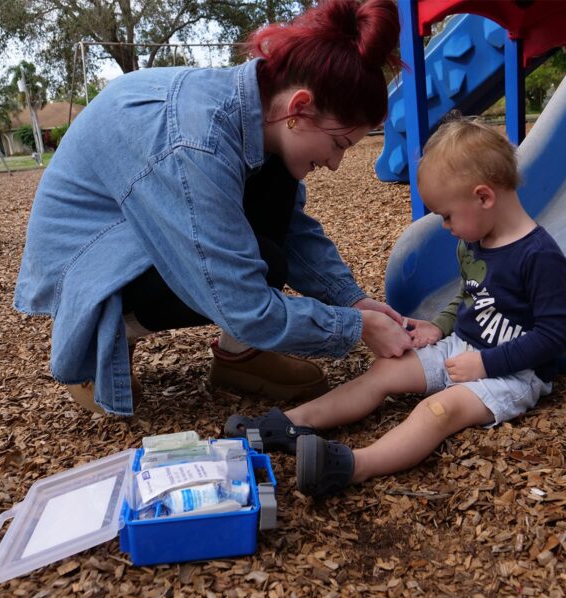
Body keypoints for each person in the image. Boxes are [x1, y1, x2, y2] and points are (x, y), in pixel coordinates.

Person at [14, 0, 412, 415]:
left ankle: (240, 357)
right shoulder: (196, 141)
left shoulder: (261, 118)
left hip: (141, 221)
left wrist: (353, 302)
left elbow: (292, 233)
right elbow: (241, 302)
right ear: (299, 108)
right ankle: (99, 337)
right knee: (245, 273)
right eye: (338, 144)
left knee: (270, 246)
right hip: (91, 255)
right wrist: (356, 329)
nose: (334, 163)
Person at [225, 117, 566, 496]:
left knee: (439, 411)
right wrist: (440, 326)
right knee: (385, 371)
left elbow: (554, 336)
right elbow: (473, 291)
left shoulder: (541, 257)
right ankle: (286, 424)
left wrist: (487, 364)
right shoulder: (477, 239)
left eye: (447, 216)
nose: (445, 226)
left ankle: (351, 466)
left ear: (484, 197)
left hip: (514, 374)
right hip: (462, 351)